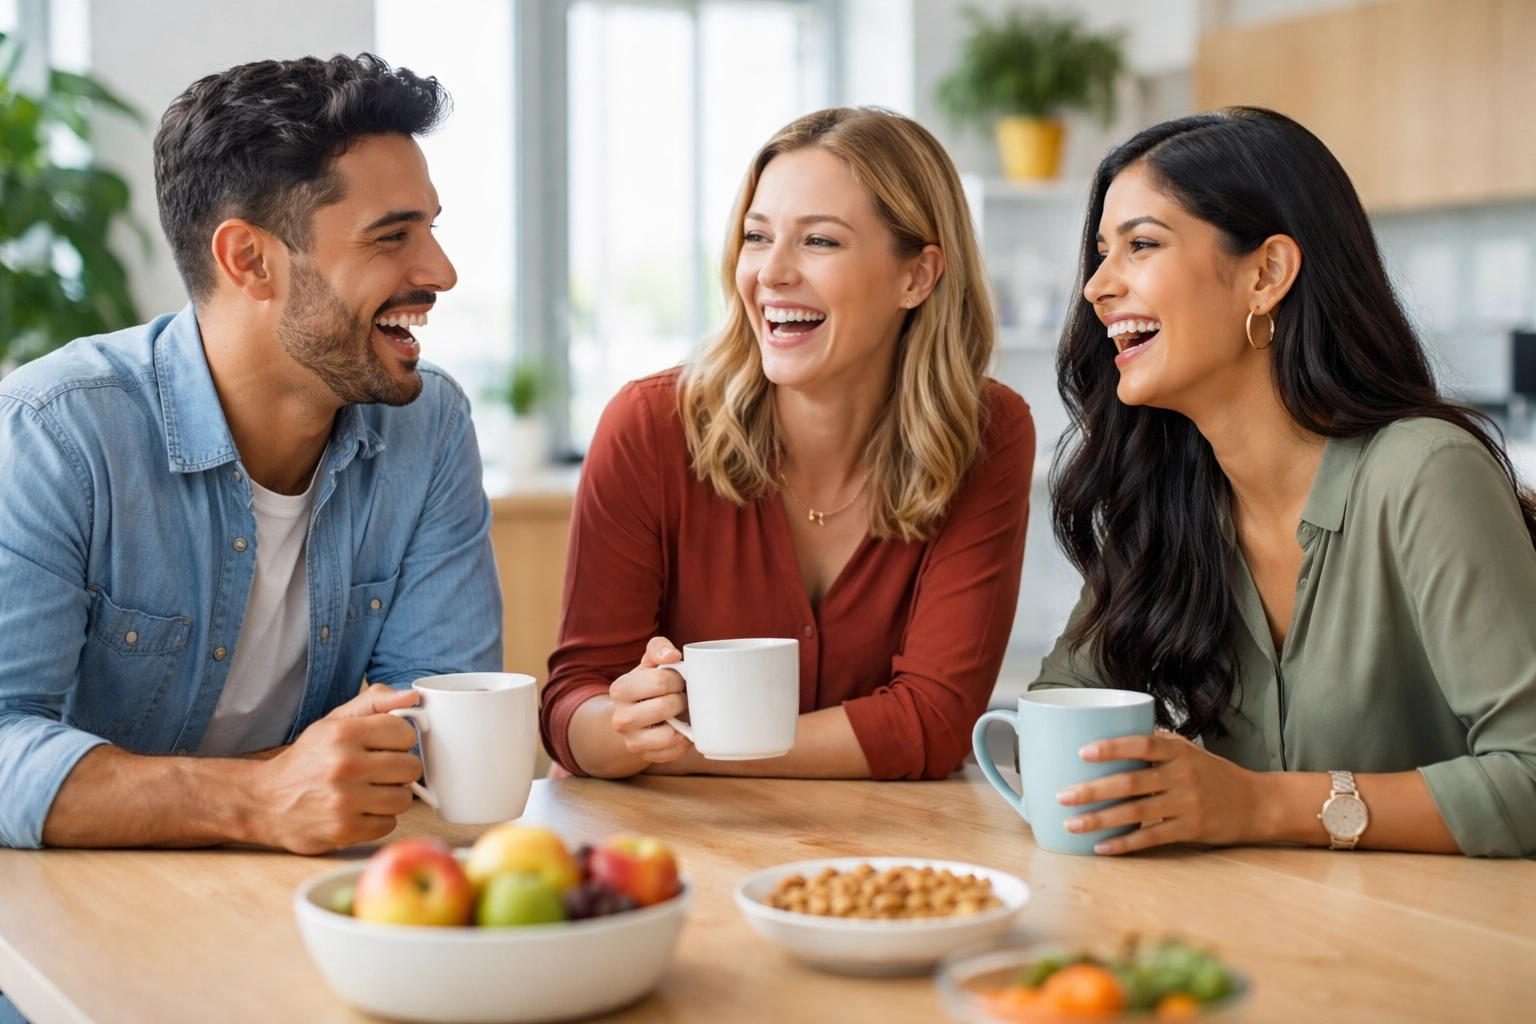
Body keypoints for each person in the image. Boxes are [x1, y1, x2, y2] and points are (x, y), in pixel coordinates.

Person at [0, 54, 501, 854]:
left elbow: (436, 715)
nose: (439, 270)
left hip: (308, 895)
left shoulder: (427, 424)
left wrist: (287, 791)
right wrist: (255, 797)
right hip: (68, 925)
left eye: (432, 229)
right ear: (250, 260)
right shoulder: (57, 432)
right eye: (391, 237)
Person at [1034, 107, 1536, 858]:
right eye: (1102, 253)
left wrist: (1263, 805)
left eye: (1140, 244)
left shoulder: (1423, 475)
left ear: (1266, 275)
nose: (1097, 287)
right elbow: (1060, 703)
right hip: (1258, 936)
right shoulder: (1169, 497)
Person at [540, 107, 1034, 781]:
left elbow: (936, 723)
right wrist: (620, 726)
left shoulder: (987, 433)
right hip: (677, 856)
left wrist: (687, 749)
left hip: (885, 865)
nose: (770, 274)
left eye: (819, 242)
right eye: (756, 236)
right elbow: (576, 705)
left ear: (916, 277)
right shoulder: (649, 426)